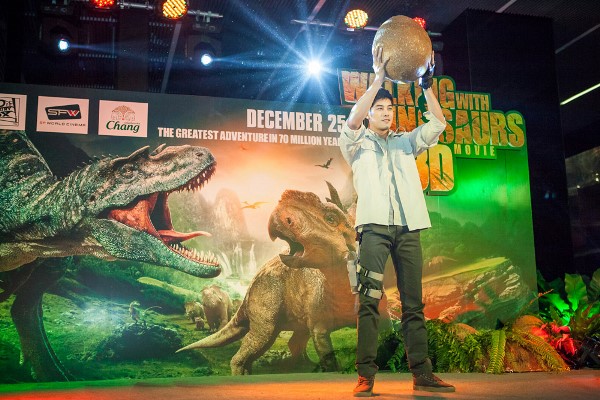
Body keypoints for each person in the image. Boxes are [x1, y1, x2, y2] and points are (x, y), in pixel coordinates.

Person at [339, 45, 455, 396]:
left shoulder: (406, 142)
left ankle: (422, 373)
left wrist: (426, 86)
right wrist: (377, 81)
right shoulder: (355, 144)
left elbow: (438, 124)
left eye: (390, 109)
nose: (386, 113)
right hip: (373, 231)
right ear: (370, 113)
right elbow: (352, 120)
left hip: (407, 229)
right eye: (380, 109)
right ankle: (365, 376)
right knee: (369, 302)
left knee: (413, 305)